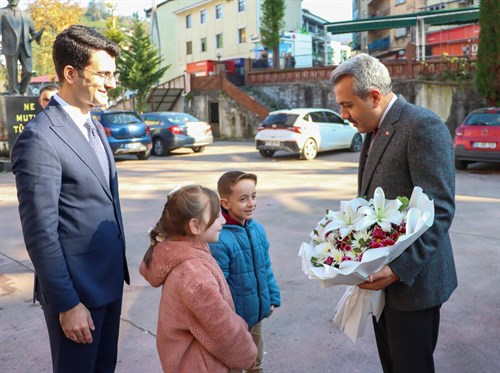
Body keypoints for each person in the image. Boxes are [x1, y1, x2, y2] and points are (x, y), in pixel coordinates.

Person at [11, 25, 129, 372]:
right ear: (70, 73)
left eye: (113, 73)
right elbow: (40, 233)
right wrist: (67, 304)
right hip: (76, 295)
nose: (111, 82)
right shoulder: (40, 138)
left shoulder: (93, 125)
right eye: (103, 74)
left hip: (107, 281)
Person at [331, 53, 457, 373]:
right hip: (381, 281)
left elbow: (439, 210)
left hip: (414, 284)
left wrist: (398, 268)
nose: (343, 114)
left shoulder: (422, 126)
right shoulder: (374, 128)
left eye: (347, 105)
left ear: (373, 96)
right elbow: (371, 200)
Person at [139, 185, 258, 373]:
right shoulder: (194, 275)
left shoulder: (185, 257)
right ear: (194, 226)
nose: (222, 221)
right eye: (217, 215)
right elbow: (223, 329)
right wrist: (249, 355)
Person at [209, 171, 281, 373]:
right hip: (234, 322)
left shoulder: (257, 229)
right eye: (243, 199)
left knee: (255, 361)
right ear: (225, 203)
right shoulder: (220, 239)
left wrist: (272, 297)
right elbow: (219, 286)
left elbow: (265, 267)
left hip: (256, 314)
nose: (251, 203)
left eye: (253, 196)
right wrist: (227, 319)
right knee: (234, 364)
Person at [0, 0, 42, 95]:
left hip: (25, 46)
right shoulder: (1, 12)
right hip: (10, 46)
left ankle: (23, 91)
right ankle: (14, 93)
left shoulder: (26, 14)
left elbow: (33, 31)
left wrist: (37, 35)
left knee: (28, 70)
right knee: (12, 72)